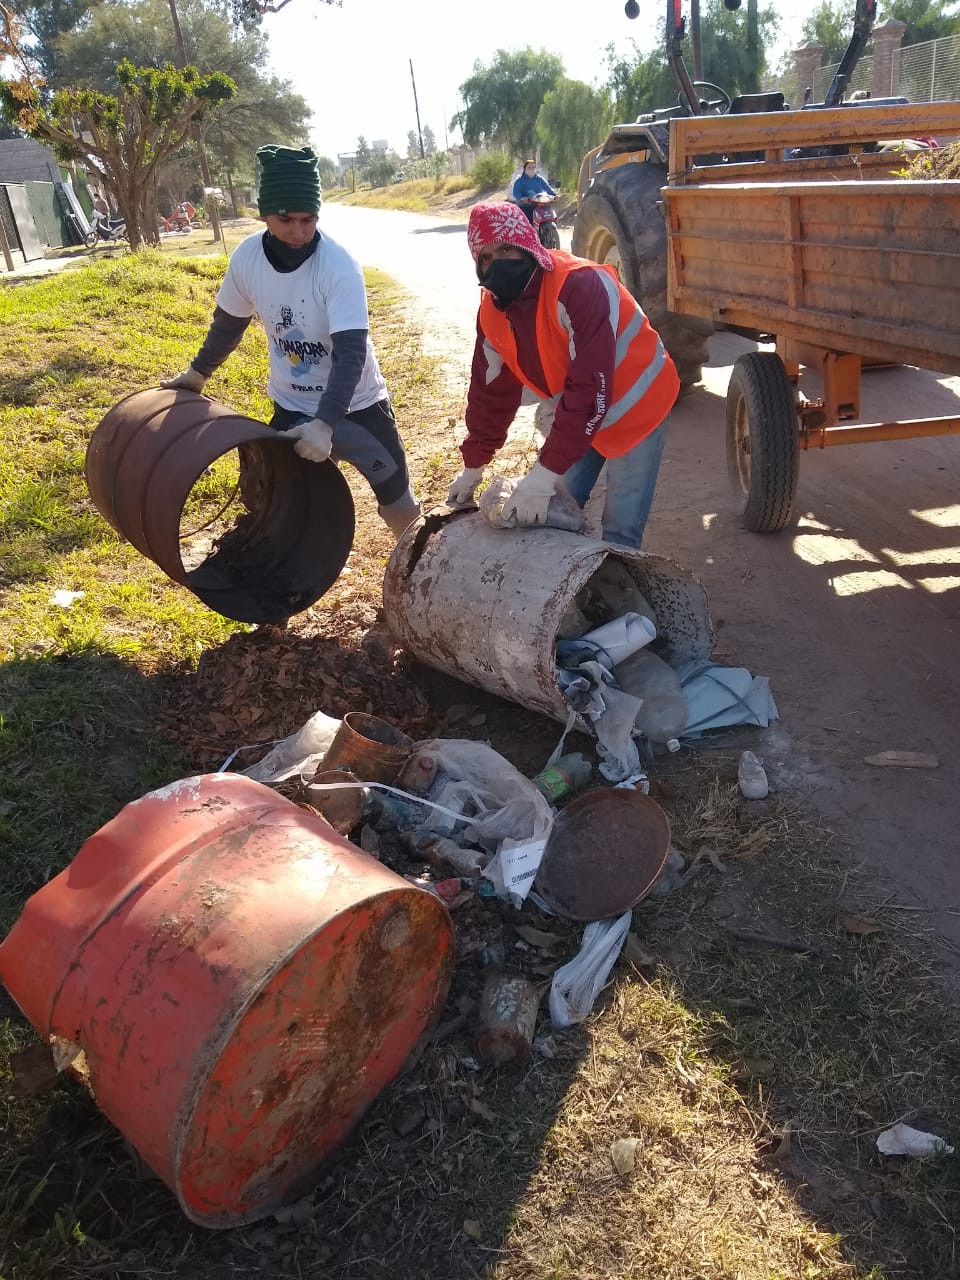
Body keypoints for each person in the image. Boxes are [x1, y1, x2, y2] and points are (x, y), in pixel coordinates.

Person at [161, 144, 421, 540]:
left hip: (358, 407)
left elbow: (350, 354)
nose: (298, 233)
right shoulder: (247, 259)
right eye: (285, 220)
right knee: (275, 504)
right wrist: (198, 374)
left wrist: (325, 424)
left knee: (400, 509)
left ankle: (417, 573)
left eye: (308, 219)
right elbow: (229, 324)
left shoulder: (337, 265)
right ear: (265, 213)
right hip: (292, 407)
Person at [446, 202, 679, 549]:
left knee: (619, 529)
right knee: (555, 514)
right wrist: (474, 465)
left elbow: (589, 388)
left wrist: (542, 477)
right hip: (580, 409)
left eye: (506, 249)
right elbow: (489, 393)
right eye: (486, 257)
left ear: (526, 245)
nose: (497, 263)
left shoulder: (577, 286)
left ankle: (625, 596)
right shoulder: (493, 311)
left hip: (636, 404)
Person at [512, 160, 556, 224]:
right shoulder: (519, 180)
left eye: (533, 167)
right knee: (527, 223)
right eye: (529, 167)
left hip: (539, 205)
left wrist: (554, 195)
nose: (532, 169)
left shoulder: (539, 179)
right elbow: (516, 192)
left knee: (549, 215)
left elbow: (548, 188)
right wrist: (521, 198)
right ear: (525, 169)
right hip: (525, 206)